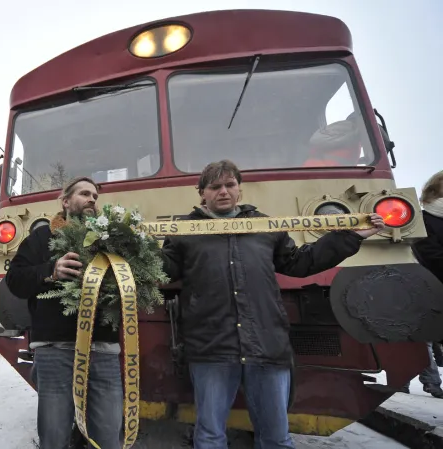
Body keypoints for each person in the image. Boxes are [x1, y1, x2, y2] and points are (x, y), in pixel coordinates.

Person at [161, 160, 384, 449]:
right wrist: (126, 248)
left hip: (266, 345)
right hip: (210, 347)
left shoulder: (266, 227)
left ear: (239, 189)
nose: (223, 192)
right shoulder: (183, 232)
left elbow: (300, 262)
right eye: (215, 187)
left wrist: (352, 236)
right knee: (210, 436)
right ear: (202, 193)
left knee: (276, 438)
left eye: (229, 185)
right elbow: (165, 269)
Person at [4, 177, 123, 449]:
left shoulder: (111, 241)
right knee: (55, 436)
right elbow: (16, 280)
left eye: (95, 195)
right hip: (55, 351)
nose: (92, 199)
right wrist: (50, 271)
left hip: (103, 350)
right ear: (66, 202)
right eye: (84, 193)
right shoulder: (41, 238)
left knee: (107, 438)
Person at [409, 171, 443, 399]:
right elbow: (427, 251)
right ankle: (431, 382)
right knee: (424, 337)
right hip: (428, 283)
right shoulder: (423, 219)